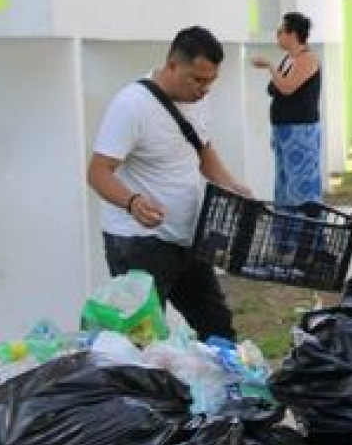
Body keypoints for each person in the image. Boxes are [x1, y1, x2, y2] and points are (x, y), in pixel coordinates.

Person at [87, 26, 251, 340]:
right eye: (198, 79)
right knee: (144, 341)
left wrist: (230, 184)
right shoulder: (131, 105)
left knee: (217, 326)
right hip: (137, 243)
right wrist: (132, 202)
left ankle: (223, 387)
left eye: (211, 80)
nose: (205, 89)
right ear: (172, 65)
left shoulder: (199, 100)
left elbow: (202, 150)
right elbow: (98, 172)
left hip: (188, 239)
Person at [252, 11, 322, 208]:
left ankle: (304, 236)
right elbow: (274, 88)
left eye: (280, 31)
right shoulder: (288, 60)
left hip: (301, 131)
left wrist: (269, 66)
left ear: (293, 34)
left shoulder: (308, 59)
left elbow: (286, 88)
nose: (277, 35)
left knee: (300, 186)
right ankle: (286, 235)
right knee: (284, 185)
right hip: (284, 129)